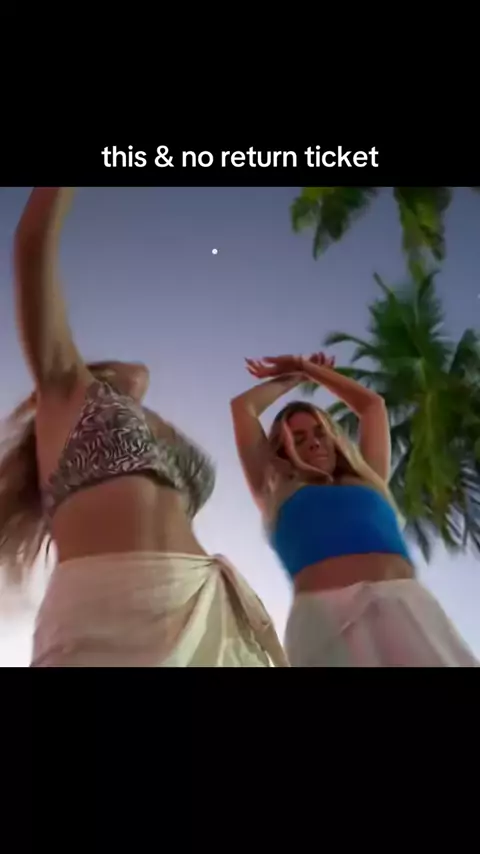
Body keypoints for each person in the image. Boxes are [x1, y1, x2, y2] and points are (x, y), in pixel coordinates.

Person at [0, 187, 288, 667]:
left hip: (207, 606)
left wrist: (292, 377)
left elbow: (141, 376)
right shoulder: (63, 387)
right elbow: (33, 243)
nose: (135, 378)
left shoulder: (157, 426)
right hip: (111, 610)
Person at [231, 352, 479, 667]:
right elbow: (243, 408)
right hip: (325, 624)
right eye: (298, 438)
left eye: (320, 432)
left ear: (334, 438)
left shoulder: (368, 478)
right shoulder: (274, 490)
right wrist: (296, 376)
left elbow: (372, 406)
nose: (314, 443)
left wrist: (309, 368)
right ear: (283, 451)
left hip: (406, 608)